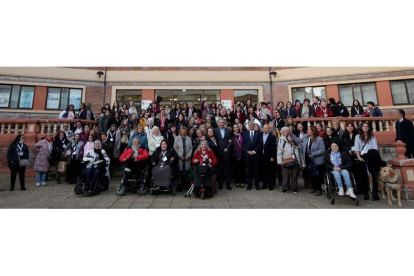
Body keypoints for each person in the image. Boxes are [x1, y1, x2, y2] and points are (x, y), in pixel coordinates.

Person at [354, 122, 380, 200]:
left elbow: (375, 148)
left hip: (372, 156)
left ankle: (375, 192)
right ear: (361, 127)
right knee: (364, 175)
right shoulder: (357, 137)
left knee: (374, 175)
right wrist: (359, 157)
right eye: (364, 126)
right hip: (363, 157)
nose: (365, 128)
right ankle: (366, 192)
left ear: (369, 128)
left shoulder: (372, 137)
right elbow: (357, 148)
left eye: (367, 126)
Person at [300, 126, 326, 196]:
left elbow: (322, 150)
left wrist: (313, 154)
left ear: (313, 131)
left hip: (317, 160)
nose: (307, 131)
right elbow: (298, 141)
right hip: (309, 160)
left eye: (308, 130)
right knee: (311, 174)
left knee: (317, 175)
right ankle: (314, 187)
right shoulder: (307, 138)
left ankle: (318, 189)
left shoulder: (319, 139)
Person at [277, 130, 301, 194]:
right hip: (285, 160)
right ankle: (285, 188)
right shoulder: (282, 140)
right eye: (285, 131)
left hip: (295, 160)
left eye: (287, 131)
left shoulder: (294, 140)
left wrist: (292, 141)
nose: (286, 132)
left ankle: (294, 188)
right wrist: (279, 161)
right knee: (285, 175)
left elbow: (299, 148)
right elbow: (279, 151)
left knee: (294, 175)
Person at [213, 118, 233, 190]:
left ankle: (228, 184)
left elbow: (231, 141)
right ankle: (220, 184)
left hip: (226, 153)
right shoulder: (215, 130)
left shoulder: (228, 131)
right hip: (218, 152)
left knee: (227, 169)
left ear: (224, 123)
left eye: (223, 123)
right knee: (220, 169)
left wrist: (227, 148)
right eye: (220, 123)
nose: (221, 124)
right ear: (218, 123)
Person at [243, 121, 262, 190]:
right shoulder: (245, 133)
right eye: (249, 125)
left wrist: (254, 151)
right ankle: (249, 184)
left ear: (254, 126)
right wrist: (248, 151)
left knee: (256, 170)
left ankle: (257, 185)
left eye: (252, 125)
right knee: (249, 170)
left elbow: (260, 143)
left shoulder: (258, 133)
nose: (250, 126)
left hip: (255, 155)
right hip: (248, 155)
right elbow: (243, 143)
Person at [173, 126, 192, 191]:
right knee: (180, 172)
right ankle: (179, 185)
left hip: (187, 158)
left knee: (186, 171)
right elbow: (175, 148)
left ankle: (186, 184)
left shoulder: (189, 138)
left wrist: (188, 156)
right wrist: (180, 155)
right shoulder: (177, 138)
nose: (183, 131)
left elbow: (191, 148)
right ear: (180, 131)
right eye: (182, 130)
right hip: (180, 158)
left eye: (184, 130)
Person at [260, 124, 276, 190]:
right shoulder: (260, 135)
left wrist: (272, 156)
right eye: (264, 128)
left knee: (270, 171)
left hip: (269, 156)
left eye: (266, 128)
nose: (265, 129)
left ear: (269, 129)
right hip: (261, 156)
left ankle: (270, 185)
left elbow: (273, 148)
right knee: (263, 171)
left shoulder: (272, 137)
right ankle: (264, 184)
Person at [231, 124, 245, 188]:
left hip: (241, 154)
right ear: (233, 128)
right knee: (236, 168)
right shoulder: (231, 135)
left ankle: (241, 181)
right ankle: (237, 181)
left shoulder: (242, 134)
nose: (236, 128)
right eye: (235, 127)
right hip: (234, 154)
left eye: (237, 127)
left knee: (242, 168)